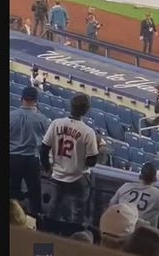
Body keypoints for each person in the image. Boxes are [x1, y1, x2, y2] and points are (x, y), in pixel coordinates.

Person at [40, 93, 100, 225]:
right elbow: (92, 161)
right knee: (77, 215)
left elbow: (43, 149)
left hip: (57, 175)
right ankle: (73, 239)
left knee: (53, 211)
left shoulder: (56, 123)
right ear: (86, 110)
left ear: (71, 106)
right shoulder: (88, 132)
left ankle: (48, 237)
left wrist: (46, 168)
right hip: (78, 178)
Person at [9, 86, 49, 217]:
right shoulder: (42, 119)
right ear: (36, 101)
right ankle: (36, 221)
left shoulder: (11, 116)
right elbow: (47, 141)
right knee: (34, 194)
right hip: (31, 159)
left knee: (12, 192)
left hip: (13, 158)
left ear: (21, 99)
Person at [109, 162, 159, 228]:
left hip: (121, 228)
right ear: (155, 179)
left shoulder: (126, 186)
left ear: (140, 176)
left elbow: (111, 204)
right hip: (143, 233)